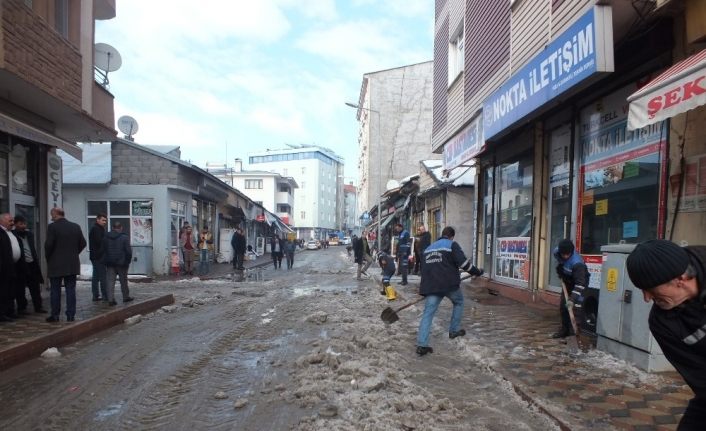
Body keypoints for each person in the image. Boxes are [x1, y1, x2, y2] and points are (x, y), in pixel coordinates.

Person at [626, 240, 706, 430]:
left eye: (651, 289)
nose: (647, 298)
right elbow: (700, 378)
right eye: (642, 290)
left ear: (681, 278)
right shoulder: (663, 323)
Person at [416, 226, 483, 356]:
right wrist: (476, 271)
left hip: (432, 286)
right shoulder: (451, 245)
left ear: (442, 234)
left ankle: (421, 345)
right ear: (452, 236)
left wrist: (426, 288)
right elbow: (464, 264)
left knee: (428, 314)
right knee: (458, 302)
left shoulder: (429, 248)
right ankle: (453, 330)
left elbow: (423, 269)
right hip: (448, 285)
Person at [44, 207, 86, 322]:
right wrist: (73, 253)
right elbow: (83, 243)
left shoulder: (52, 227)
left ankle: (55, 315)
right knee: (70, 289)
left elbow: (49, 245)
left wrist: (49, 257)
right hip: (72, 263)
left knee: (55, 290)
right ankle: (71, 315)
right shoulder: (75, 226)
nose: (51, 217)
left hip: (56, 263)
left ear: (55, 214)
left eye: (52, 215)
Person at [552, 239, 589, 339]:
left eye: (567, 254)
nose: (565, 256)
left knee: (575, 309)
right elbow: (560, 262)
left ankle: (574, 335)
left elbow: (580, 284)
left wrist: (572, 299)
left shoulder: (577, 263)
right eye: (563, 254)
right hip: (567, 282)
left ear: (571, 252)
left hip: (580, 285)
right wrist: (560, 271)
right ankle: (564, 330)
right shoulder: (557, 252)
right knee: (564, 307)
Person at [12, 215, 46, 314]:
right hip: (21, 265)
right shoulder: (13, 235)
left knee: (35, 287)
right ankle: (22, 308)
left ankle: (38, 306)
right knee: (20, 288)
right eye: (21, 224)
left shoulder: (29, 234)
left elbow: (32, 248)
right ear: (16, 224)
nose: (23, 226)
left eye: (24, 223)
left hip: (32, 263)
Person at [103, 221, 134, 306]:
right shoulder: (124, 237)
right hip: (122, 263)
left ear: (113, 228)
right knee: (123, 280)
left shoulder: (106, 237)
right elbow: (128, 252)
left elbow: (103, 249)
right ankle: (125, 296)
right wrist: (127, 261)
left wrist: (106, 259)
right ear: (121, 228)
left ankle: (110, 299)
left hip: (110, 262)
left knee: (110, 281)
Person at [0, 213, 21, 321]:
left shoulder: (11, 232)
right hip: (4, 268)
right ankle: (2, 313)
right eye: (10, 221)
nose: (13, 223)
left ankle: (10, 311)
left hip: (13, 266)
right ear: (2, 221)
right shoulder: (1, 232)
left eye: (12, 220)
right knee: (3, 291)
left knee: (11, 291)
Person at [88, 213, 108, 301]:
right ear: (98, 219)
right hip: (99, 256)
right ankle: (105, 295)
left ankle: (95, 295)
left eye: (105, 220)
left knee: (96, 276)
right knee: (103, 276)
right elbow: (100, 242)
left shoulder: (98, 229)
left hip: (95, 256)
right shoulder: (96, 229)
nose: (105, 222)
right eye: (103, 220)